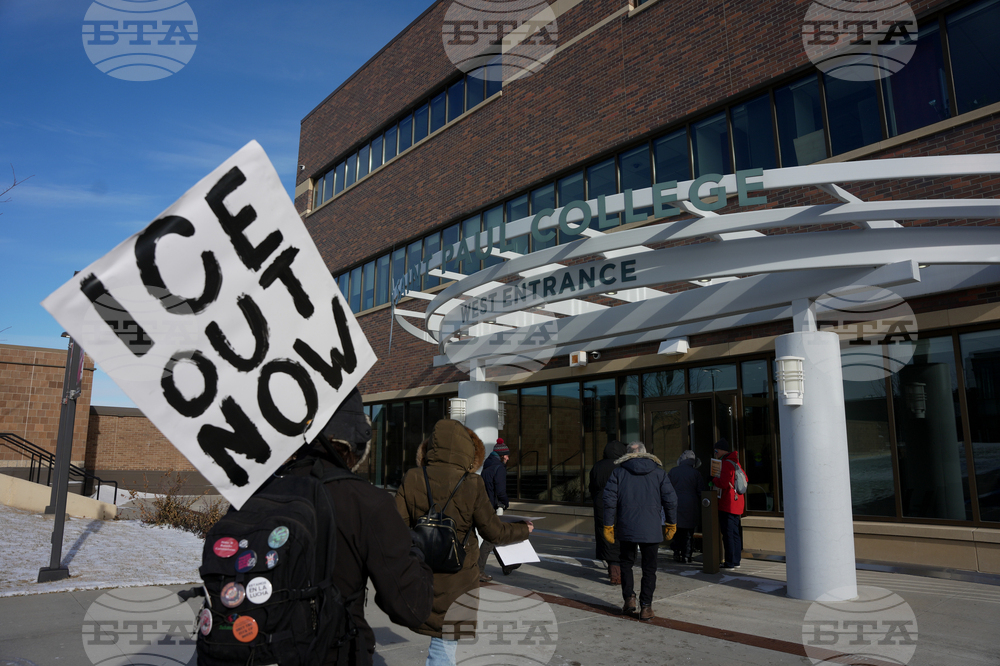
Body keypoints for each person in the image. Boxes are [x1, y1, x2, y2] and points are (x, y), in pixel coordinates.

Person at [286, 388, 434, 666]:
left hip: (259, 649)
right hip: (335, 652)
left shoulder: (260, 492)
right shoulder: (367, 501)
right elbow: (411, 608)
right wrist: (415, 553)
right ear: (357, 441)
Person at [395, 419, 532, 666]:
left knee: (440, 644)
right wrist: (524, 529)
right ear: (467, 450)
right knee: (444, 645)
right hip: (458, 576)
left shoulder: (413, 478)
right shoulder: (471, 483)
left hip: (421, 573)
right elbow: (494, 532)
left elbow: (396, 528)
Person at [602, 441, 677, 621]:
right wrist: (671, 523)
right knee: (649, 568)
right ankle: (646, 606)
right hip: (651, 529)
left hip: (627, 527)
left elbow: (609, 500)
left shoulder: (618, 472)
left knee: (626, 563)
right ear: (645, 453)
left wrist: (608, 525)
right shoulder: (659, 473)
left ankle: (629, 598)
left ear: (627, 454)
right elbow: (671, 500)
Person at [588, 440, 627, 584]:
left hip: (601, 503)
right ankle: (618, 571)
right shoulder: (623, 466)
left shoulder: (598, 466)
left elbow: (592, 486)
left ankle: (613, 569)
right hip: (620, 503)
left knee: (606, 533)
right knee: (621, 534)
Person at [477, 438, 513, 582]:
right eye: (507, 455)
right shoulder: (499, 468)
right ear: (503, 455)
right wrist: (505, 502)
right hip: (490, 507)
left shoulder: (487, 466)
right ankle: (479, 571)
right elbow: (500, 490)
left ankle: (506, 564)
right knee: (490, 538)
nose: (508, 458)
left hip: (482, 505)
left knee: (494, 535)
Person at [711, 438, 746, 569]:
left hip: (728, 503)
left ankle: (730, 561)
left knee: (728, 533)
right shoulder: (736, 462)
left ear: (721, 450)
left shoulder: (726, 463)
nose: (715, 453)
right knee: (735, 533)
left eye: (716, 450)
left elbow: (723, 483)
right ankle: (736, 560)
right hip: (737, 503)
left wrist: (714, 479)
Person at [667, 449, 706, 564]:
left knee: (676, 530)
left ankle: (677, 553)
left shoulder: (673, 471)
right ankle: (687, 555)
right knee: (688, 533)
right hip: (691, 506)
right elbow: (701, 491)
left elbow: (667, 489)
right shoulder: (696, 473)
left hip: (676, 505)